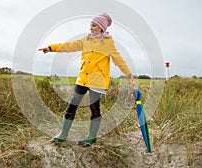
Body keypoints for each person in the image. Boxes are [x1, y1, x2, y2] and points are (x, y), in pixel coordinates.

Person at [39, 13, 133, 147]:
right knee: (72, 105)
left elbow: (118, 60)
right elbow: (69, 46)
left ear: (101, 27)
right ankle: (63, 134)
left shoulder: (108, 43)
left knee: (94, 108)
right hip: (82, 78)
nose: (91, 28)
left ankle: (91, 137)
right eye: (90, 25)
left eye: (94, 25)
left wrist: (128, 73)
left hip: (98, 81)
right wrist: (51, 48)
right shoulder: (86, 40)